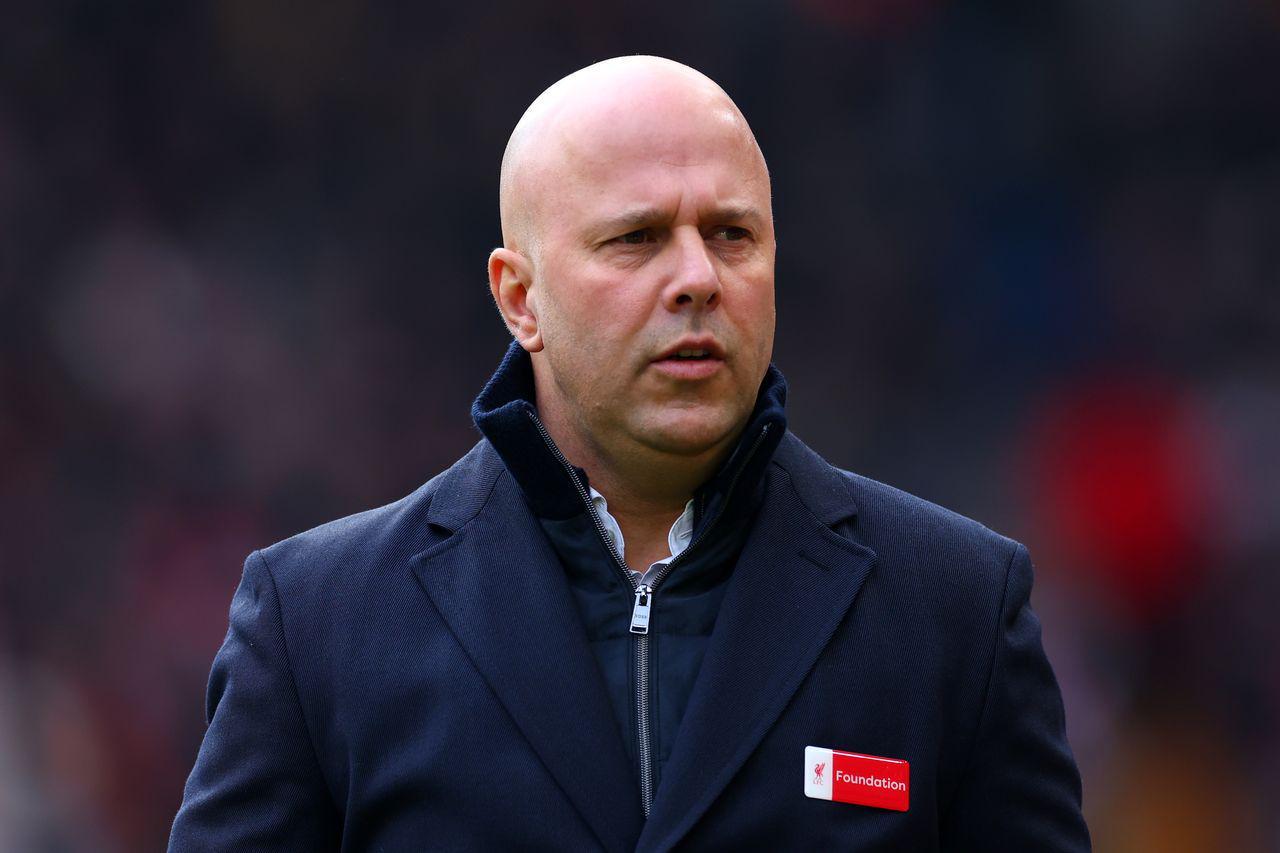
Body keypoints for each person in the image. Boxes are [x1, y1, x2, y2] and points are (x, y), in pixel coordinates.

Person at [169, 56, 1090, 851]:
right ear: (520, 298)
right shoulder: (317, 624)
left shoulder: (957, 610)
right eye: (637, 238)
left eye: (732, 234)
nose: (697, 277)